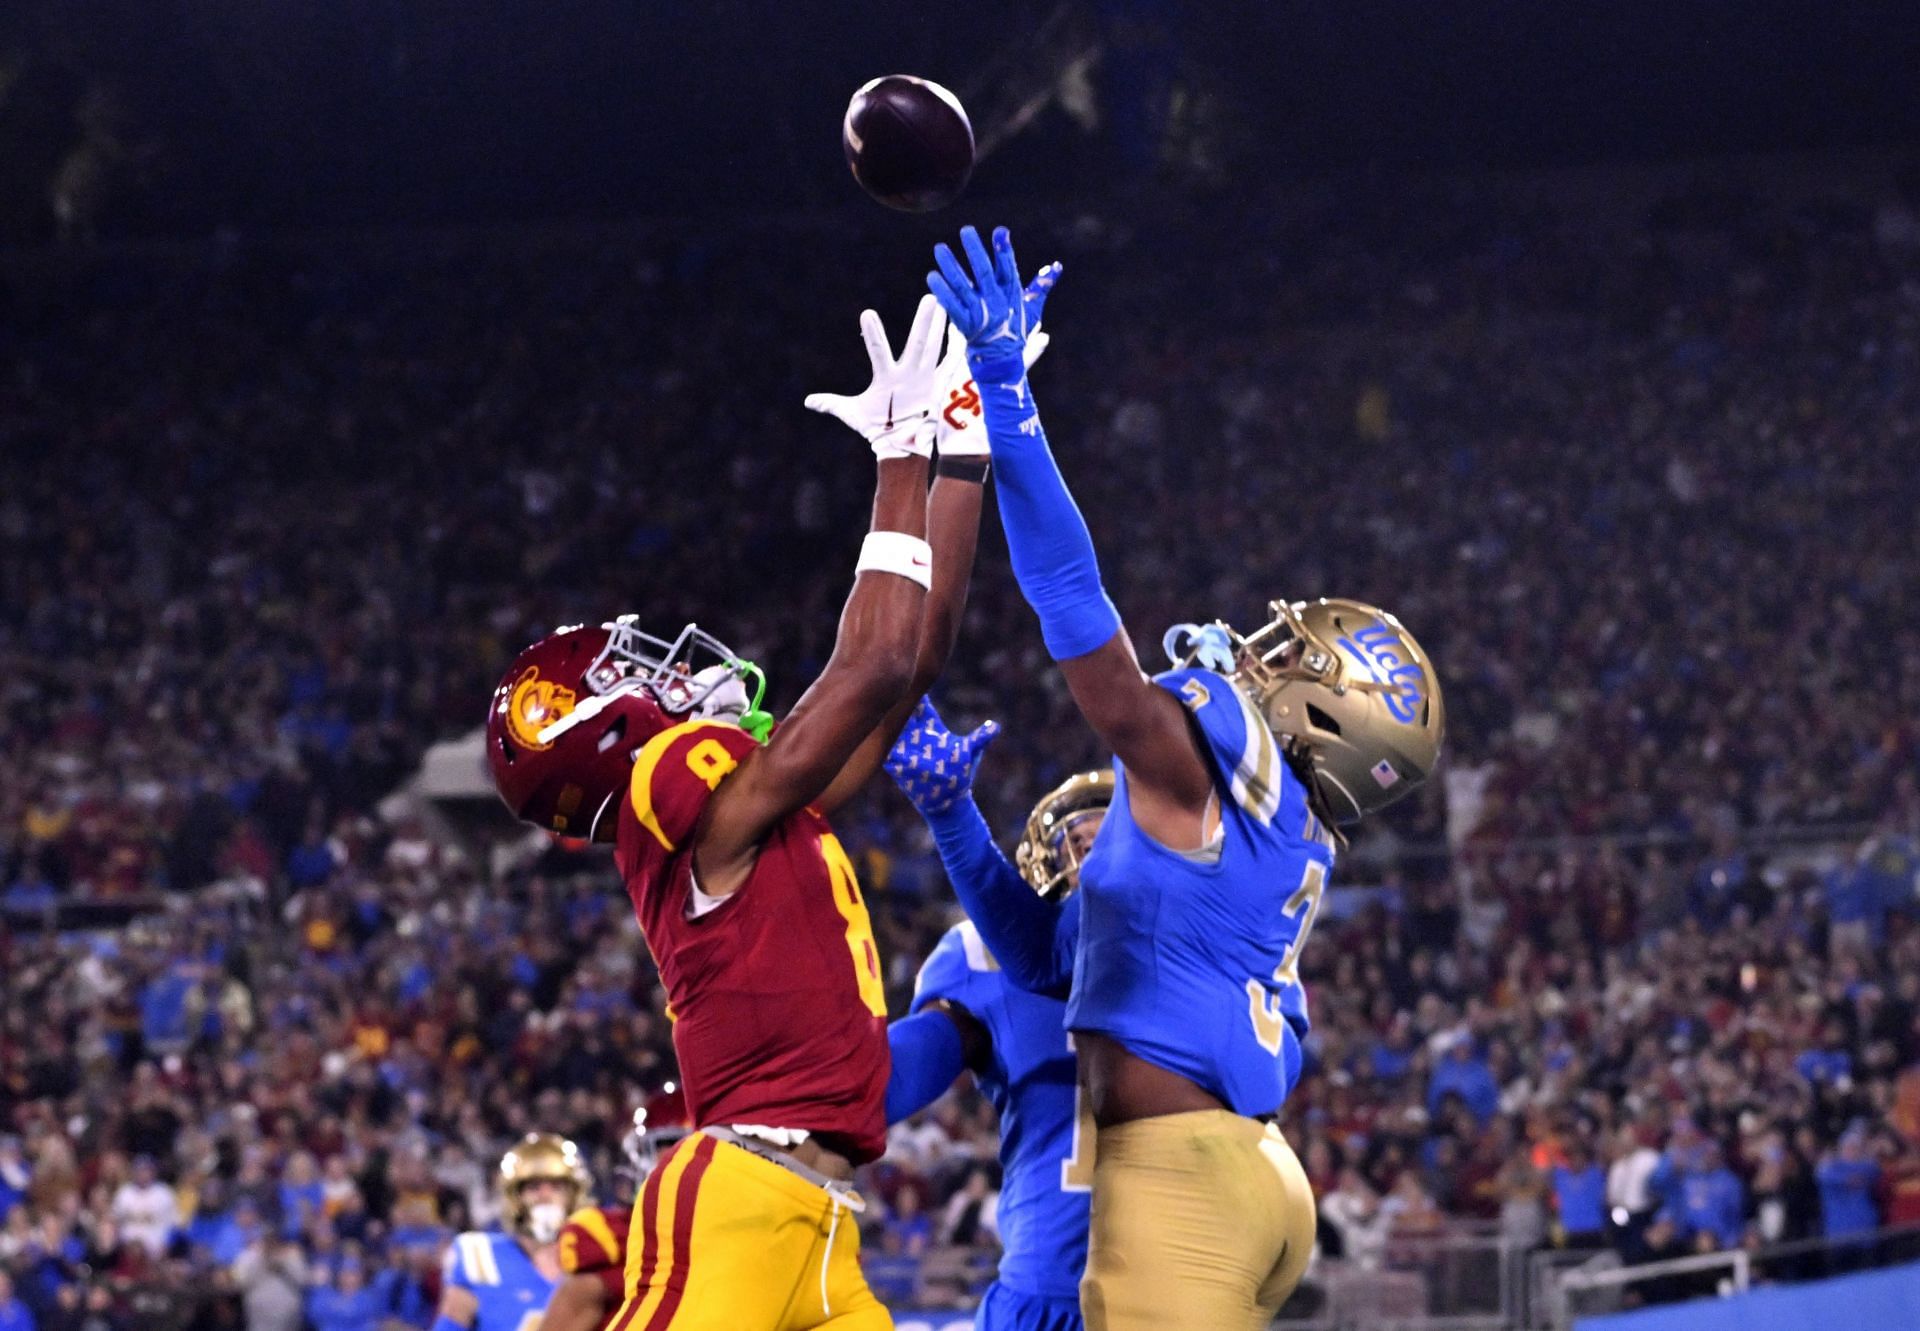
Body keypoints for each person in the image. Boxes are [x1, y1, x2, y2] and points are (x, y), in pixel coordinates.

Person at [926, 224, 1445, 1331]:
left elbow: (1075, 604)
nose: (1258, 655)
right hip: (1238, 1165)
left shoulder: (1215, 770)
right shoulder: (1284, 821)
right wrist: (955, 820)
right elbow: (1045, 959)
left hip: (1179, 1174)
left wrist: (1010, 409)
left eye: (1294, 659)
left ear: (1324, 711)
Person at [484, 289, 1022, 1330]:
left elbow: (912, 663)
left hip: (818, 1213)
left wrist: (963, 456)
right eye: (628, 671)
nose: (668, 672)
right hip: (733, 1197)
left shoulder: (748, 815)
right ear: (600, 731)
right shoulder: (668, 791)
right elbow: (865, 666)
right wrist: (897, 458)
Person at [881, 701, 1107, 1331]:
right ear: (1045, 863)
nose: (1099, 863)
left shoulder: (1204, 944)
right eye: (1082, 844)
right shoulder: (982, 956)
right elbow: (891, 1081)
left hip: (1184, 1285)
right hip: (1047, 1292)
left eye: (1116, 843)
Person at [431, 1134, 591, 1331]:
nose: (545, 1196)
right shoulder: (481, 1256)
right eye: (534, 1187)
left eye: (556, 1186)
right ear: (515, 1197)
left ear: (573, 1195)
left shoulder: (594, 1261)